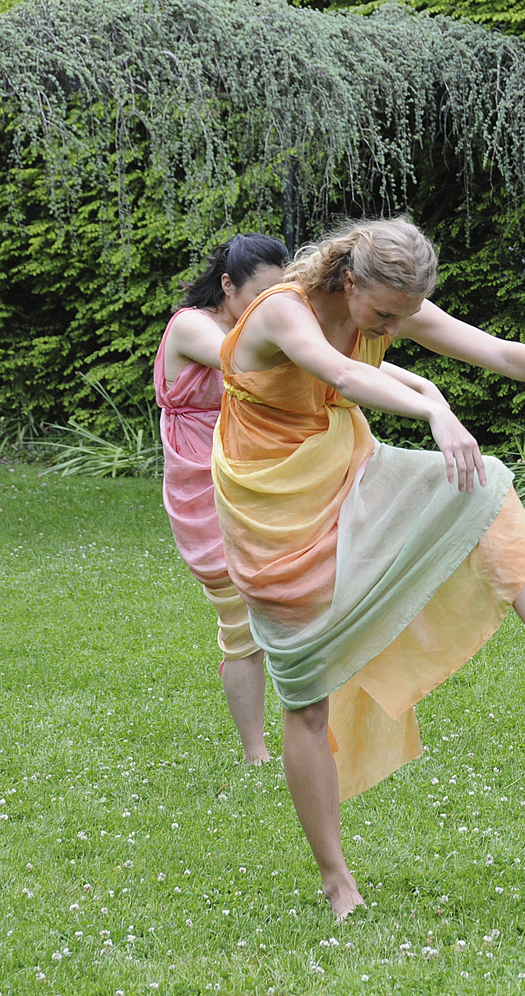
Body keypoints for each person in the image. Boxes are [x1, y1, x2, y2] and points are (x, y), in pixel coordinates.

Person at [210, 217, 525, 920]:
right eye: (386, 313)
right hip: (269, 502)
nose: (394, 326)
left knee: (485, 484)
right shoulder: (282, 310)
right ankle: (336, 879)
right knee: (304, 698)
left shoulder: (392, 306)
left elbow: (499, 352)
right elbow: (341, 372)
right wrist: (434, 409)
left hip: (345, 466)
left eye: (405, 315)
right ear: (350, 279)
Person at [155, 234, 289, 764]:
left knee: (293, 601)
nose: (266, 308)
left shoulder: (250, 322)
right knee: (239, 622)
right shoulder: (192, 324)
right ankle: (256, 753)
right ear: (227, 284)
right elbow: (245, 364)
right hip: (203, 485)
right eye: (257, 295)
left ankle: (317, 726)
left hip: (251, 473)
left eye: (277, 298)